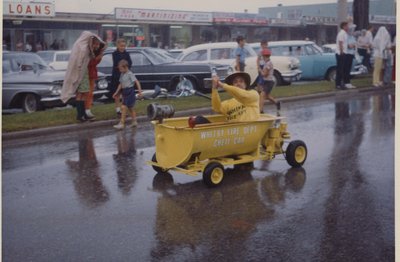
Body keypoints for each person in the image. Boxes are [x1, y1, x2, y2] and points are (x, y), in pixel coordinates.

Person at [61, 31, 105, 122]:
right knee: (81, 94)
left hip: (83, 73)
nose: (96, 46)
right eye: (95, 43)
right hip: (82, 74)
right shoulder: (84, 49)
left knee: (84, 93)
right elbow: (85, 62)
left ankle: (82, 114)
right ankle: (80, 114)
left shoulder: (81, 47)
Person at [112, 59, 143, 130]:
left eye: (121, 69)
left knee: (123, 107)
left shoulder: (130, 74)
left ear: (125, 67)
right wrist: (116, 93)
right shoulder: (122, 74)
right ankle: (134, 122)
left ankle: (122, 123)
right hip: (124, 91)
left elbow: (137, 82)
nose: (119, 70)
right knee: (130, 108)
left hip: (130, 91)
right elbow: (120, 84)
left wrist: (140, 91)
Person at [111, 38, 133, 116]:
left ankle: (123, 108)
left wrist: (125, 68)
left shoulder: (127, 54)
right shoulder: (114, 54)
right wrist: (123, 66)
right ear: (117, 45)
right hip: (117, 75)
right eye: (121, 46)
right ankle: (117, 109)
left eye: (124, 46)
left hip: (125, 75)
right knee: (117, 93)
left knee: (124, 93)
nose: (123, 47)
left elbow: (130, 63)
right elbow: (117, 63)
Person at [85, 44, 106, 119]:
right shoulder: (88, 52)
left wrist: (100, 55)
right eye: (95, 44)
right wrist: (99, 56)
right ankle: (86, 109)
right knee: (88, 93)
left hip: (92, 74)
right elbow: (91, 63)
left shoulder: (93, 52)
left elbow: (95, 62)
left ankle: (88, 109)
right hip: (88, 74)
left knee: (90, 93)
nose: (96, 46)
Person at [257, 48, 281, 113]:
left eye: (263, 56)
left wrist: (260, 70)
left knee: (262, 95)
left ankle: (260, 110)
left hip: (269, 82)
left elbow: (265, 74)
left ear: (265, 56)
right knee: (266, 96)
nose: (263, 58)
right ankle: (276, 103)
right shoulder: (267, 63)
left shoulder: (268, 64)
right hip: (267, 81)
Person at [335, 21, 350, 90]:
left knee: (343, 69)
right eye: (347, 26)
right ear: (344, 26)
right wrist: (341, 52)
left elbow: (345, 43)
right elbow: (340, 43)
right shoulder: (341, 33)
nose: (348, 27)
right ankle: (338, 84)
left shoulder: (345, 34)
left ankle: (342, 83)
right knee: (340, 69)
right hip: (341, 53)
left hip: (344, 52)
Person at [344, 24, 357, 89]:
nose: (352, 31)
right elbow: (348, 46)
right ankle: (346, 82)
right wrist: (351, 45)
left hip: (351, 54)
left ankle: (348, 82)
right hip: (347, 54)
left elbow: (355, 44)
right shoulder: (346, 36)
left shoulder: (352, 37)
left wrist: (353, 45)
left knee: (349, 69)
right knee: (346, 69)